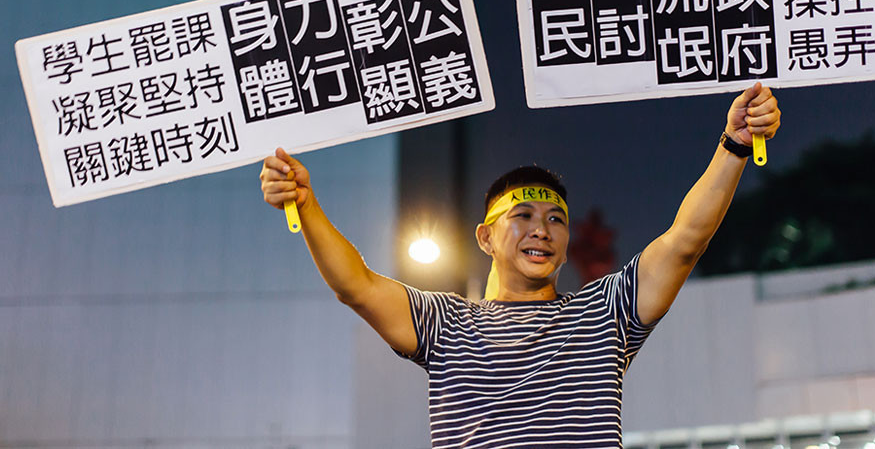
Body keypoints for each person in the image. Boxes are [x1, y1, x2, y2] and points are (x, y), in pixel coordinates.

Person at [260, 83, 781, 449]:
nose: (542, 230)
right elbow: (355, 285)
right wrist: (305, 204)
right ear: (485, 236)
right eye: (524, 215)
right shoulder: (442, 324)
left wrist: (734, 145)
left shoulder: (607, 314)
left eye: (557, 219)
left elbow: (684, 241)